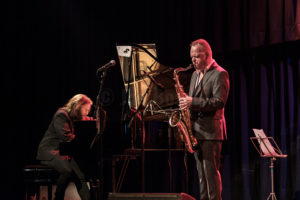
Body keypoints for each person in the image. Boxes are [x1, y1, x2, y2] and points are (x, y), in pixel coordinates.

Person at [179, 39, 230, 200]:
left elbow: (219, 102)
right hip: (197, 130)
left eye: (197, 57)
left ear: (207, 55)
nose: (193, 60)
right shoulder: (194, 74)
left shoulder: (220, 73)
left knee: (211, 175)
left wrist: (192, 101)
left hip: (211, 132)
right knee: (202, 176)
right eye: (191, 57)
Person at [36, 94, 94, 200]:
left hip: (63, 152)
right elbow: (65, 137)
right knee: (67, 170)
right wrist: (81, 141)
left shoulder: (72, 116)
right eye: (86, 109)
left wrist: (97, 119)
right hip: (50, 151)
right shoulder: (61, 115)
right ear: (78, 106)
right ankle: (58, 197)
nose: (87, 112)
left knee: (80, 176)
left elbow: (87, 118)